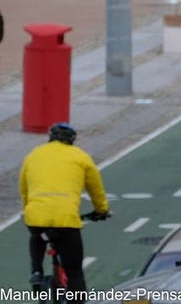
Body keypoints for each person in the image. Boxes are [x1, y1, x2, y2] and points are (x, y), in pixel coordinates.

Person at [20, 122, 109, 292]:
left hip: (37, 216)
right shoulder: (81, 157)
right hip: (66, 220)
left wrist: (28, 210)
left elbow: (24, 188)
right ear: (72, 140)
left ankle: (37, 271)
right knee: (75, 272)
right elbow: (95, 189)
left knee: (38, 236)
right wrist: (101, 210)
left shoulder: (33, 155)